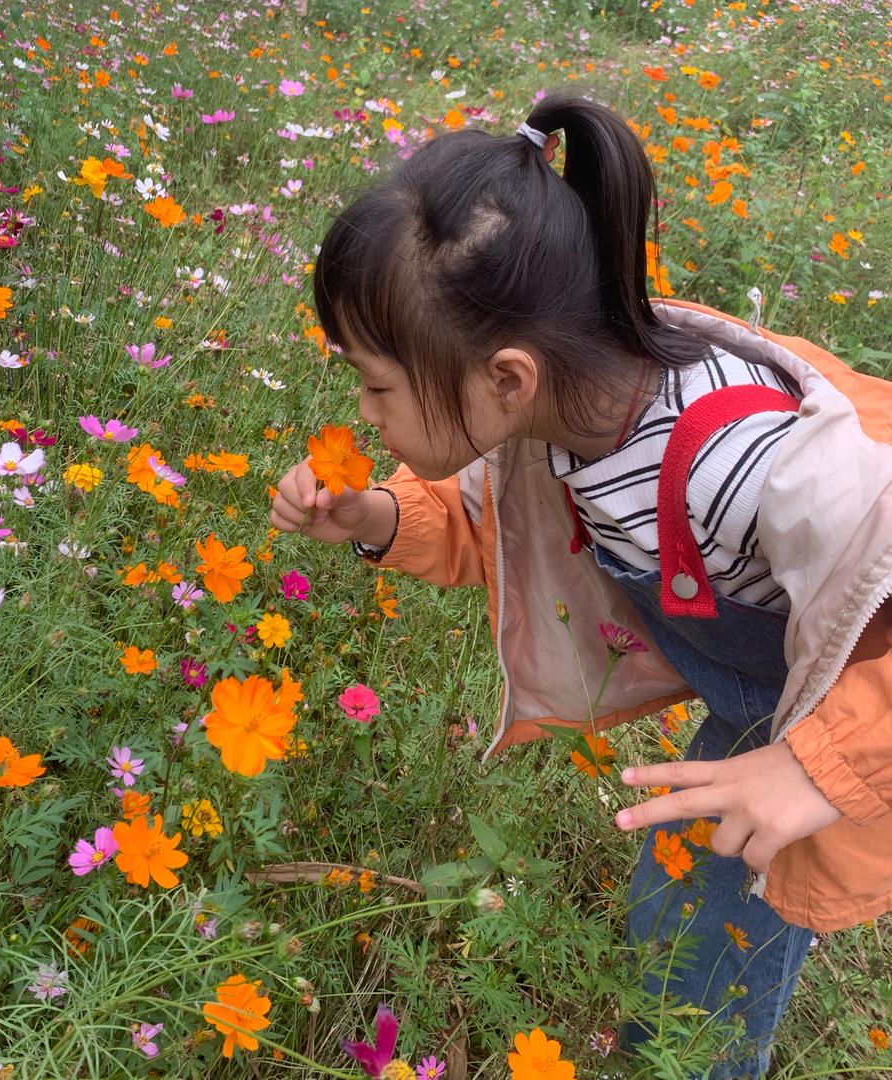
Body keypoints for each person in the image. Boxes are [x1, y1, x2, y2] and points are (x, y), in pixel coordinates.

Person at [270, 91, 892, 1077]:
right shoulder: (569, 401)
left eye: (377, 385)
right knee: (677, 902)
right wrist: (379, 517)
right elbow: (488, 518)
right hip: (779, 696)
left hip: (858, 717)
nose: (363, 411)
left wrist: (819, 767)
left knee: (719, 962)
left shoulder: (748, 465)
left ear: (506, 378)